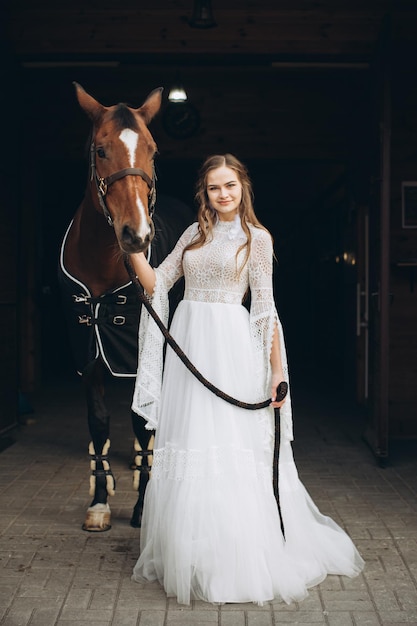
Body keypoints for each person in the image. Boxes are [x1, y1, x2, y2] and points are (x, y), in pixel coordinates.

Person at [130, 153, 364, 606]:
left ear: (243, 189)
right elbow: (158, 283)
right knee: (194, 441)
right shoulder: (192, 235)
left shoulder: (257, 239)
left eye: (230, 186)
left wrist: (277, 371)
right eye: (215, 187)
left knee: (231, 447)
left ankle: (236, 557)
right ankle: (194, 554)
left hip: (232, 347)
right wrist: (132, 250)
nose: (223, 194)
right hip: (190, 346)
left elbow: (265, 308)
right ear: (205, 192)